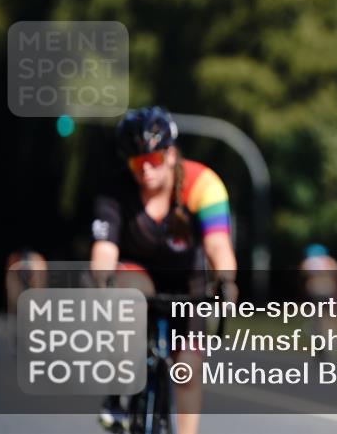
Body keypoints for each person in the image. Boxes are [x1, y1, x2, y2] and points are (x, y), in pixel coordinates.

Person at [90, 106, 237, 434]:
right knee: (127, 297)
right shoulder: (115, 190)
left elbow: (218, 245)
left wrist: (226, 282)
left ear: (170, 155)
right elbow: (104, 250)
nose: (145, 170)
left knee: (188, 370)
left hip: (187, 280)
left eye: (153, 159)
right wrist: (101, 282)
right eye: (136, 162)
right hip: (137, 273)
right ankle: (119, 392)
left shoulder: (203, 184)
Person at [300, 243, 337, 357]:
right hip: (329, 289)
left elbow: (304, 276)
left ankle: (318, 337)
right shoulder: (330, 261)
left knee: (316, 317)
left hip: (315, 291)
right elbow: (336, 276)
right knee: (330, 317)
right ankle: (331, 342)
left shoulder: (308, 262)